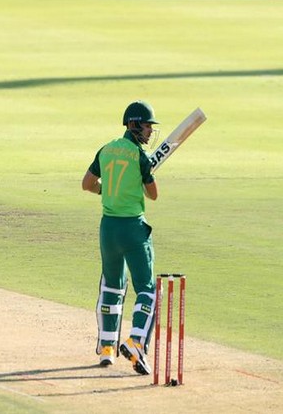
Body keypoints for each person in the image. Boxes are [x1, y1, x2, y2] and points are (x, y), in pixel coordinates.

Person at [81, 100, 159, 375]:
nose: (150, 131)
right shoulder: (139, 157)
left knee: (112, 286)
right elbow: (153, 194)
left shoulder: (106, 149)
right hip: (133, 229)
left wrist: (109, 190)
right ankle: (136, 342)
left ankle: (106, 348)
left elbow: (86, 184)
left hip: (108, 229)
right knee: (148, 289)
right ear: (134, 124)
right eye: (147, 125)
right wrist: (143, 176)